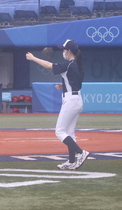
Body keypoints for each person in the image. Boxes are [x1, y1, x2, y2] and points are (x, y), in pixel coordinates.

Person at [26, 39, 89, 170]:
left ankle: (81, 153)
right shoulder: (78, 65)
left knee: (59, 131)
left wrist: (33, 58)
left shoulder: (69, 65)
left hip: (71, 101)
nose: (63, 52)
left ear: (69, 51)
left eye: (64, 50)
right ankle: (71, 162)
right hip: (77, 99)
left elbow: (49, 65)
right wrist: (64, 86)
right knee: (69, 133)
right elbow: (77, 84)